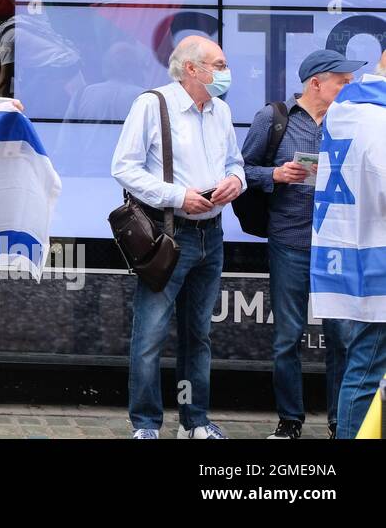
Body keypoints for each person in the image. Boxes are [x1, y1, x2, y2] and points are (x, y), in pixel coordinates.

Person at [112, 35, 246, 439]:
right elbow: (124, 167)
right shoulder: (152, 105)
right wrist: (179, 195)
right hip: (169, 236)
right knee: (150, 335)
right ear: (192, 68)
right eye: (219, 64)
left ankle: (195, 420)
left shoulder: (220, 110)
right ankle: (146, 424)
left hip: (212, 235)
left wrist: (234, 183)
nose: (225, 72)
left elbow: (235, 163)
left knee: (198, 335)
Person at [242, 49, 363, 439]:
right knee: (287, 338)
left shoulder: (353, 121)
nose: (349, 87)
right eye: (342, 81)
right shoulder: (273, 118)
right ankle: (289, 422)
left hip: (338, 243)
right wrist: (275, 174)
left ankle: (340, 423)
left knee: (343, 338)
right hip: (289, 241)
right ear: (316, 83)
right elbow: (240, 170)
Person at [316, 57, 386, 438]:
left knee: (364, 361)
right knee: (369, 363)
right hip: (379, 252)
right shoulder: (377, 115)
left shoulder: (349, 107)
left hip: (354, 246)